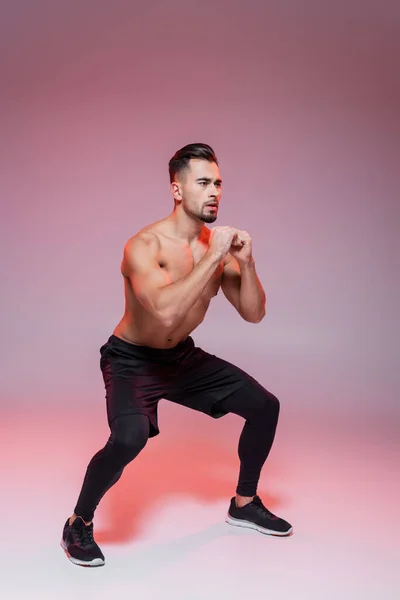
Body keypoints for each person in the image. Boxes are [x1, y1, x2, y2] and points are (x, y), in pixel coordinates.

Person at [61, 143, 292, 567]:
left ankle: (243, 503)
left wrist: (248, 261)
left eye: (218, 183)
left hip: (182, 359)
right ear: (177, 189)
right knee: (128, 439)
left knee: (265, 406)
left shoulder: (215, 247)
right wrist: (217, 256)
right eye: (203, 183)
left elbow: (254, 314)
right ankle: (79, 521)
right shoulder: (143, 246)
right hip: (132, 359)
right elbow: (166, 313)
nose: (214, 192)